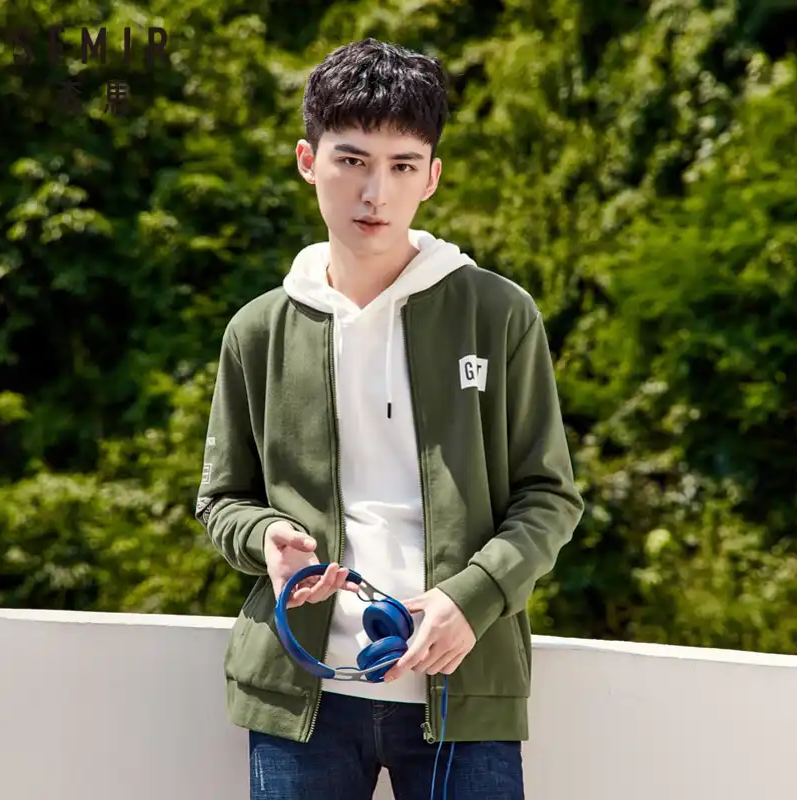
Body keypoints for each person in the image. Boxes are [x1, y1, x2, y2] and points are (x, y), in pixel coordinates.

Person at [195, 37, 584, 800]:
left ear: (432, 177)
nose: (376, 192)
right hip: (298, 697)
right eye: (351, 160)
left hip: (463, 687)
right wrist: (267, 540)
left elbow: (550, 497)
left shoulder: (498, 314)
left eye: (403, 166)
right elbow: (223, 499)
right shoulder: (258, 331)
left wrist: (470, 599)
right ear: (308, 161)